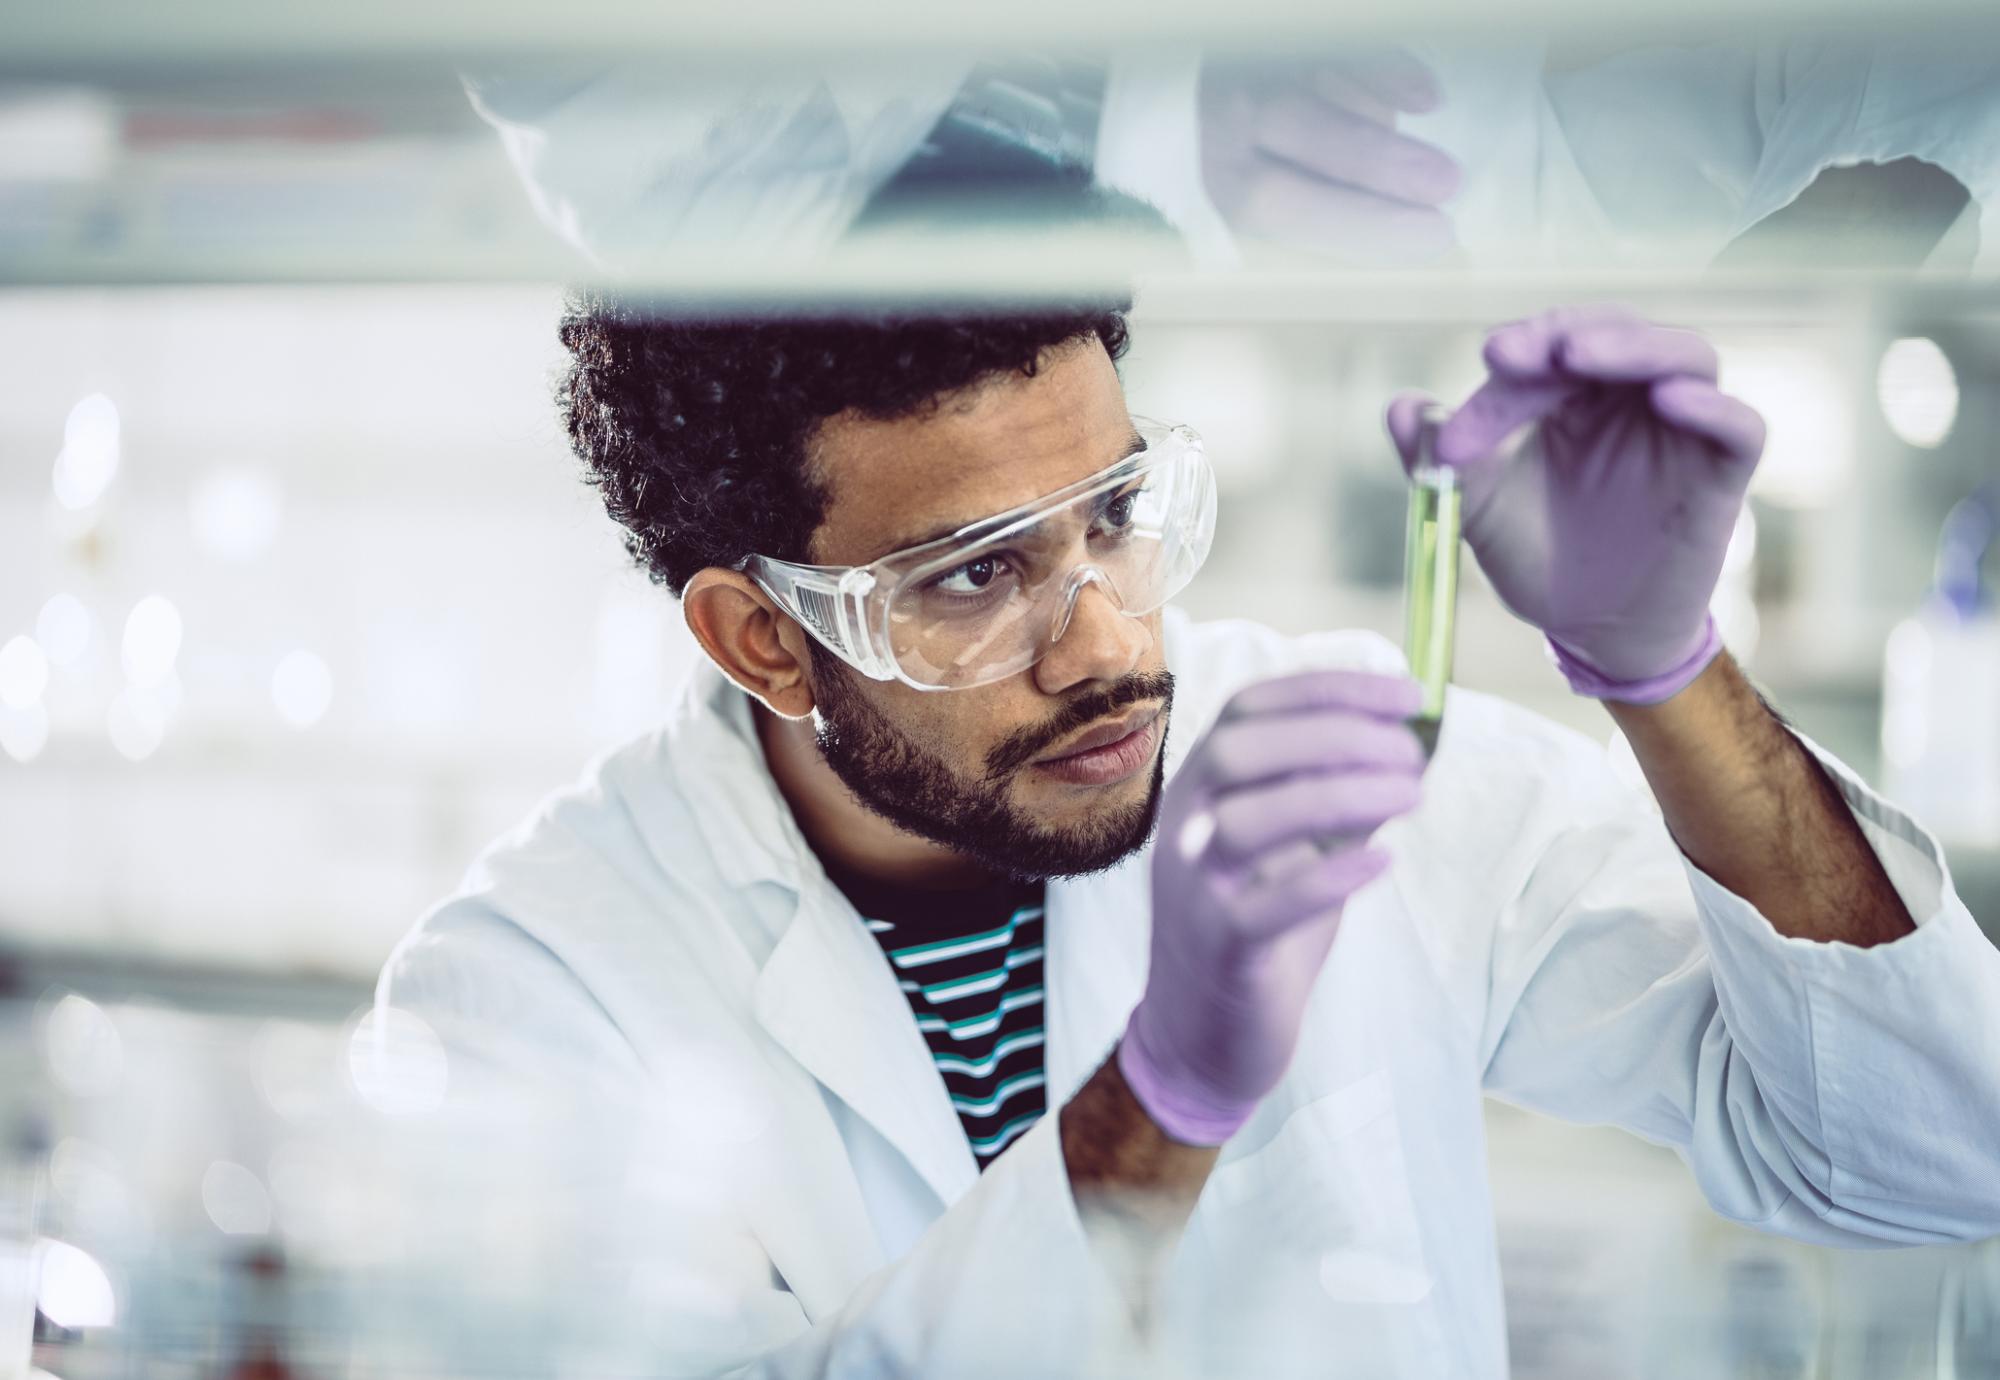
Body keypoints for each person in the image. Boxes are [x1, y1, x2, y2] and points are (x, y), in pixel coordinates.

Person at [379, 298, 2000, 1378]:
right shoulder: (532, 990)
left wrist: (1666, 669)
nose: (1101, 645)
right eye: (971, 577)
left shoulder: (1330, 752)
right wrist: (1163, 1095)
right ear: (762, 641)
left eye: (1117, 521)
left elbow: (1929, 1153)